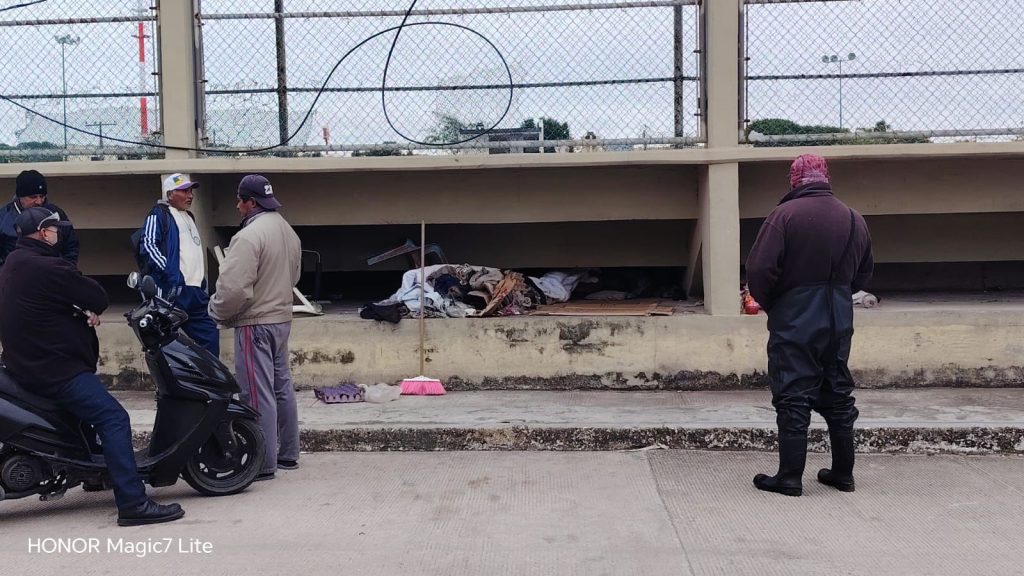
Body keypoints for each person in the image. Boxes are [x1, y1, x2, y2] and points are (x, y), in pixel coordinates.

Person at [0, 207, 183, 526]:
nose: (59, 233)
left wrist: (76, 311)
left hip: (24, 365)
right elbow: (97, 297)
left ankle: (95, 475)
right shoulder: (50, 267)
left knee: (84, 421)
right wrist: (86, 308)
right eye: (55, 229)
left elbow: (43, 305)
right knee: (113, 418)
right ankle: (133, 503)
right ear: (43, 233)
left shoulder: (13, 264)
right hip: (56, 370)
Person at [745, 154, 873, 497]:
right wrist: (838, 291)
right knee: (838, 392)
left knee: (793, 392)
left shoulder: (783, 216)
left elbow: (758, 270)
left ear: (794, 179)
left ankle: (789, 477)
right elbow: (864, 272)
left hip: (796, 316)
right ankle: (843, 474)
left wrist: (775, 303)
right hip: (839, 316)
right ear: (826, 177)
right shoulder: (854, 218)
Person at [209, 175, 302, 482]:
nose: (237, 206)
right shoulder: (287, 230)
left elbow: (234, 289)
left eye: (240, 200)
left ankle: (262, 462)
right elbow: (294, 276)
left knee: (256, 393)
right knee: (281, 386)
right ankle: (288, 452)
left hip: (255, 323)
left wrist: (215, 310)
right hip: (281, 318)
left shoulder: (248, 237)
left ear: (251, 202)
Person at [137, 173, 219, 357]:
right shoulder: (159, 214)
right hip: (172, 291)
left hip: (196, 292)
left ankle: (209, 375)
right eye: (184, 191)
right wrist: (171, 274)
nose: (190, 195)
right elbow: (148, 246)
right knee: (164, 341)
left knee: (209, 336)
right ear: (170, 194)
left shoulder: (189, 216)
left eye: (191, 191)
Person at [0, 170, 79, 267]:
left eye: (42, 196)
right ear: (20, 196)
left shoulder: (56, 213)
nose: (39, 201)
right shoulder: (3, 218)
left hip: (53, 271)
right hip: (17, 273)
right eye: (33, 197)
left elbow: (71, 245)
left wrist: (67, 269)